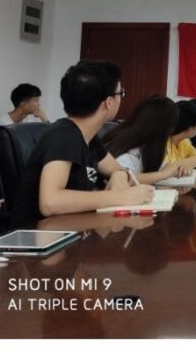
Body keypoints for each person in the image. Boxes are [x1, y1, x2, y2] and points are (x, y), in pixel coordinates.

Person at [12, 60, 154, 226]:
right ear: (109, 103)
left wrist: (119, 176)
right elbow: (50, 203)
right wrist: (119, 197)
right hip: (41, 235)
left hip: (74, 228)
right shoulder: (63, 136)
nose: (121, 98)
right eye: (120, 93)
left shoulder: (89, 138)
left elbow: (117, 170)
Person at [103, 96, 193, 185]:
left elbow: (162, 169)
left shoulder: (147, 148)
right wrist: (162, 175)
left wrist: (176, 169)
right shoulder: (128, 154)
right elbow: (123, 179)